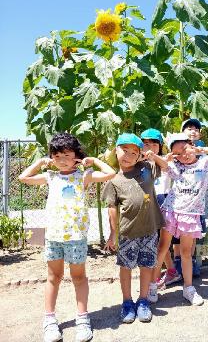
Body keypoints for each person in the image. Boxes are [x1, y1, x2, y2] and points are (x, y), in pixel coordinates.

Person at [19, 132, 116, 342]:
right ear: (51, 158)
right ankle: (49, 320)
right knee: (53, 278)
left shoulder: (84, 176)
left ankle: (82, 319)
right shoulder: (50, 176)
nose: (62, 161)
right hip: (53, 236)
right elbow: (23, 178)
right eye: (57, 156)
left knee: (79, 278)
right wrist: (40, 162)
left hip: (76, 237)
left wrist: (95, 161)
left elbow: (110, 173)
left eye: (66, 155)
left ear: (76, 155)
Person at [147, 133, 208, 305]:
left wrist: (201, 149)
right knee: (162, 248)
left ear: (192, 145)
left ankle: (189, 288)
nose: (183, 155)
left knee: (186, 253)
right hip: (171, 211)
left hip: (191, 215)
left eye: (185, 148)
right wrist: (158, 156)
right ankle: (152, 286)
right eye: (178, 153)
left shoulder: (206, 163)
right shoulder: (174, 166)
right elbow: (161, 163)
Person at [102, 133, 167, 324]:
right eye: (125, 150)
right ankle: (127, 302)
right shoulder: (114, 181)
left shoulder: (147, 168)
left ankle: (143, 300)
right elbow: (112, 209)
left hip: (149, 230)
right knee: (126, 267)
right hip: (127, 233)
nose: (129, 155)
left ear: (140, 155)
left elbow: (165, 166)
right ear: (116, 150)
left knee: (147, 265)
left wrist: (152, 156)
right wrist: (113, 234)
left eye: (134, 152)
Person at [140, 129, 182, 289]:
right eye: (145, 143)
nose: (149, 146)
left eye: (153, 143)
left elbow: (165, 165)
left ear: (160, 146)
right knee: (157, 243)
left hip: (163, 203)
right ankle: (171, 271)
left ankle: (156, 278)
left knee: (160, 244)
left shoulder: (166, 161)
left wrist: (153, 156)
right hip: (147, 203)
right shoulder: (139, 162)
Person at [173, 118, 206, 277]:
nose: (193, 131)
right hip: (178, 199)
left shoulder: (201, 149)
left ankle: (190, 262)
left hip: (196, 202)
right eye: (189, 128)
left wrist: (199, 151)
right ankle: (178, 262)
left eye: (196, 129)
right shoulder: (177, 148)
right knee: (176, 237)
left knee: (191, 236)